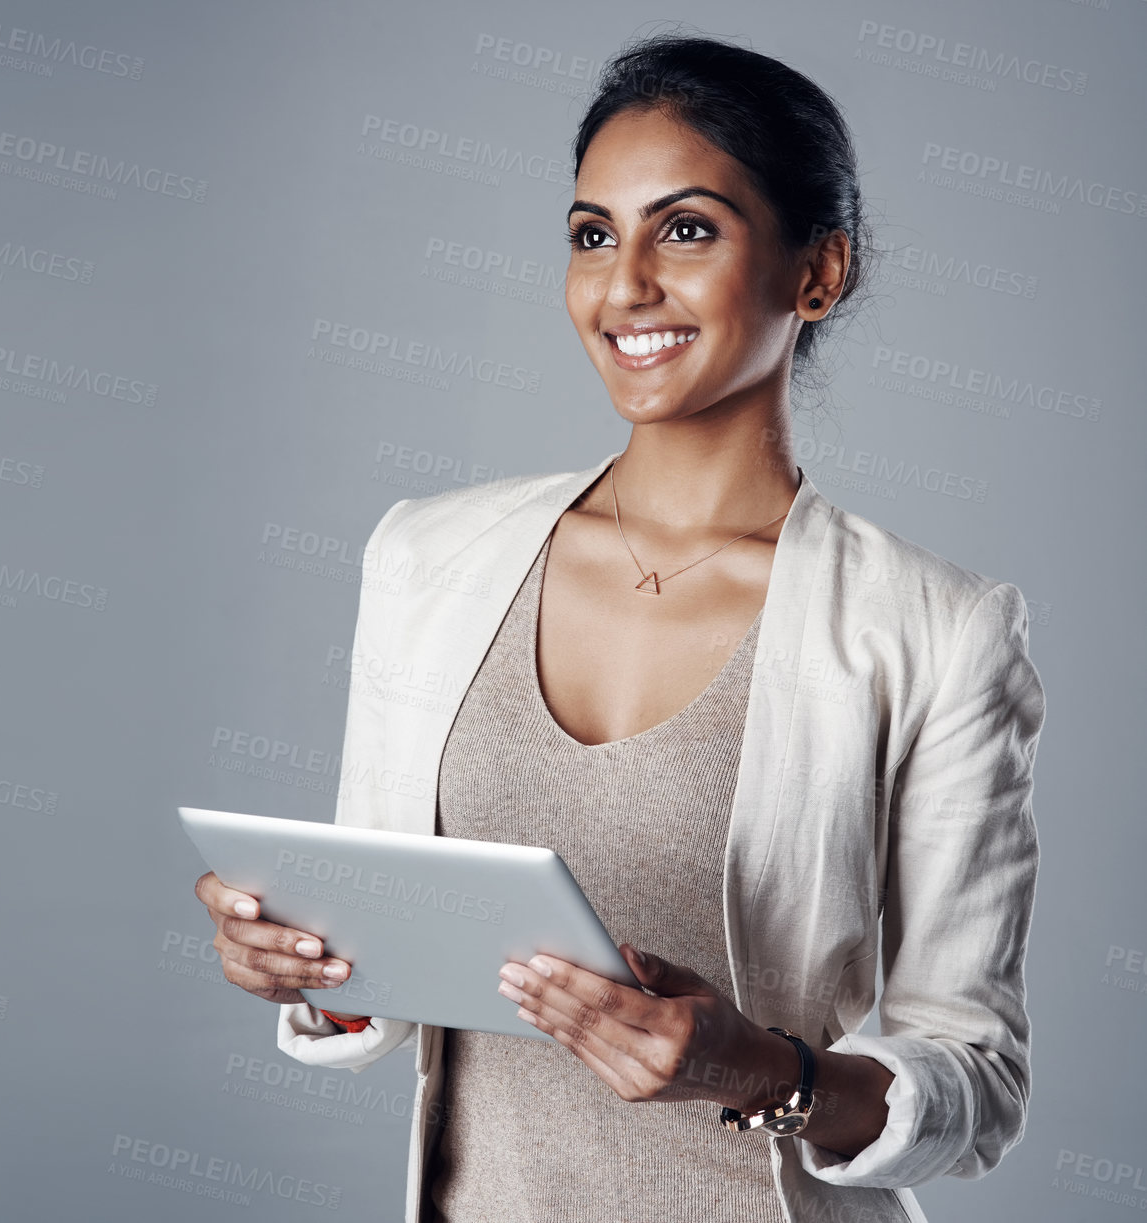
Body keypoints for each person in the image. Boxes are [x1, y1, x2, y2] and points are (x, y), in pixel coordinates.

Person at [193, 29, 1045, 1223]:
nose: (623, 283)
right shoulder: (426, 560)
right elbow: (381, 973)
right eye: (592, 234)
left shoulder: (934, 631)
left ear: (819, 272)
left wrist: (755, 1068)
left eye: (685, 228)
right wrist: (310, 967)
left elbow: (976, 1082)